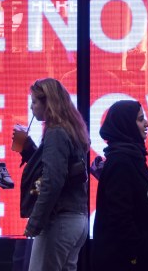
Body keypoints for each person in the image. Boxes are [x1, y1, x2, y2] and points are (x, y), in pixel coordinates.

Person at [14, 78, 90, 271]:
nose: (32, 108)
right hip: (77, 219)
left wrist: (35, 222)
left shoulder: (55, 133)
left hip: (59, 221)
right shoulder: (72, 130)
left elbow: (52, 181)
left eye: (34, 102)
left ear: (48, 103)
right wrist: (31, 151)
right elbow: (61, 170)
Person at [92, 100, 148, 270]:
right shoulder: (121, 160)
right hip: (128, 260)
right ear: (126, 125)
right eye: (140, 119)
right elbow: (120, 215)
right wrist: (134, 254)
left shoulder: (131, 155)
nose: (147, 123)